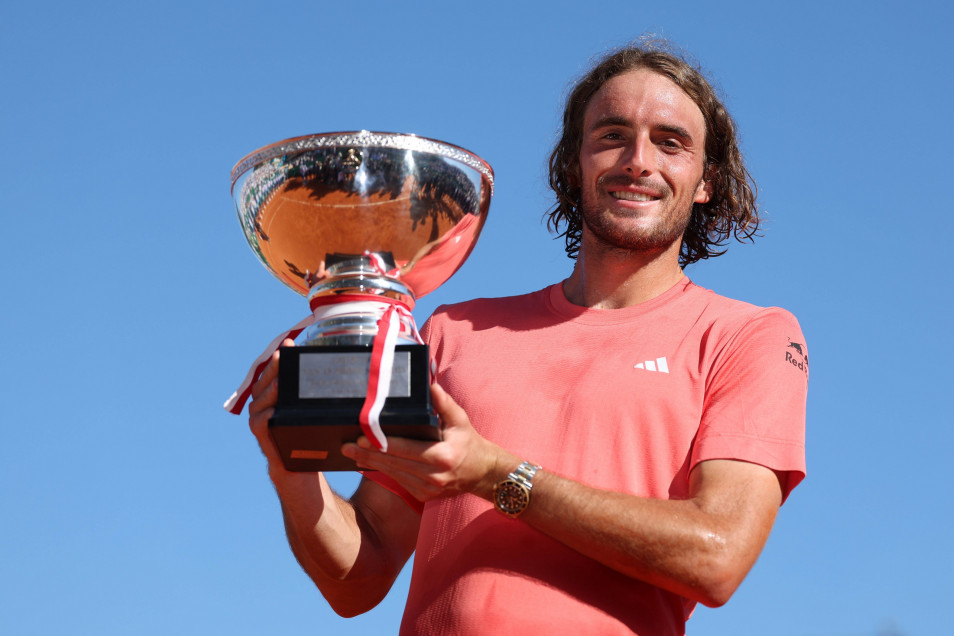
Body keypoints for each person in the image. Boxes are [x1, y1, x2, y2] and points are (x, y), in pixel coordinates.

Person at [248, 41, 807, 635]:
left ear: (705, 182)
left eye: (670, 142)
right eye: (612, 135)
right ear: (574, 164)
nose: (638, 160)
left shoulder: (747, 336)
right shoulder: (453, 332)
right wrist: (293, 470)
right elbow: (360, 578)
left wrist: (494, 473)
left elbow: (716, 555)